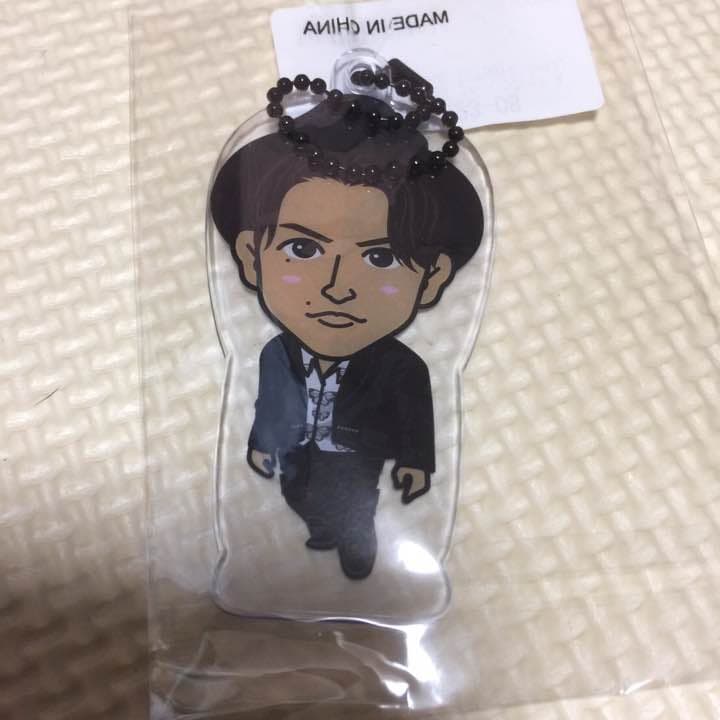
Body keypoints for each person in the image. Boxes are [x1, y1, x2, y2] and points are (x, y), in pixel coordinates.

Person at [210, 93, 484, 579]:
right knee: (297, 493)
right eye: (303, 249)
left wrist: (416, 461)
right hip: (298, 450)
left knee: (352, 499)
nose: (337, 288)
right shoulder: (277, 353)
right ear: (251, 257)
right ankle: (322, 526)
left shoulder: (402, 367)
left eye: (380, 258)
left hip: (358, 455)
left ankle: (357, 536)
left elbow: (414, 413)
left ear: (433, 278)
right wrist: (262, 442)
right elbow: (270, 402)